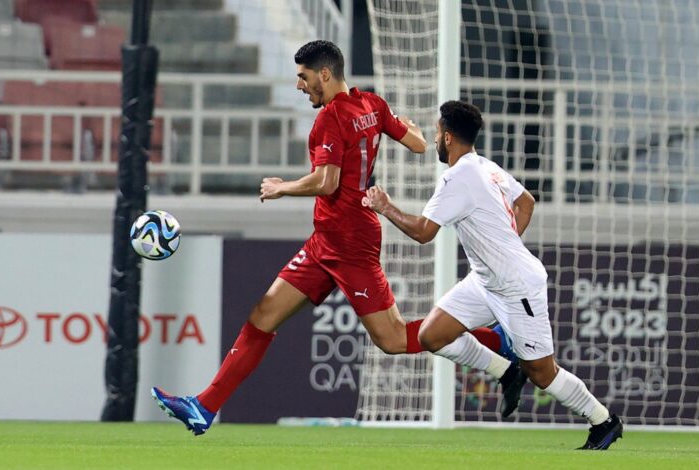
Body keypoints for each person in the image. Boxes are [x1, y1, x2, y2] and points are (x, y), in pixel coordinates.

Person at [150, 41, 524, 436]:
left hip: (349, 243)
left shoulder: (330, 118)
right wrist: (405, 126)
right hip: (326, 240)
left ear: (324, 75)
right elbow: (417, 143)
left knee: (393, 339)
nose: (300, 85)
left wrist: (282, 187)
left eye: (303, 77)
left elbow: (327, 182)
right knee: (263, 314)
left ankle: (496, 341)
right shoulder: (372, 105)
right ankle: (203, 408)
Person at [365, 100, 623, 450]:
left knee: (543, 373)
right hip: (485, 281)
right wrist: (504, 245)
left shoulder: (458, 177)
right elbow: (527, 202)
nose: (436, 138)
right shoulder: (486, 167)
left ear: (448, 136)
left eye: (438, 132)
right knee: (431, 335)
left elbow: (424, 232)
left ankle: (604, 421)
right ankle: (506, 369)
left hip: (516, 285)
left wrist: (385, 207)